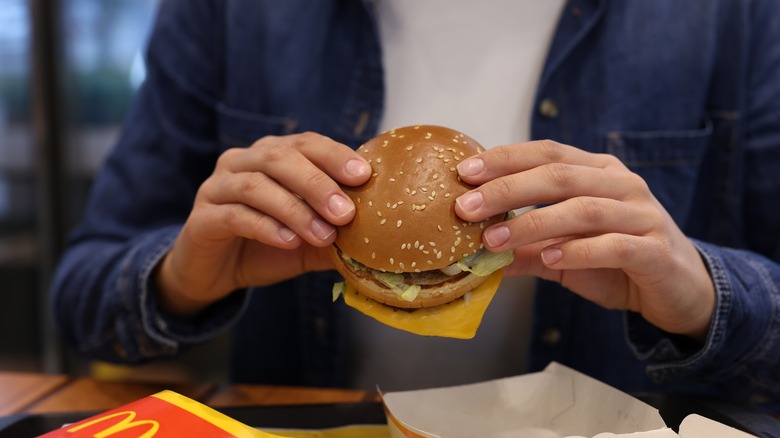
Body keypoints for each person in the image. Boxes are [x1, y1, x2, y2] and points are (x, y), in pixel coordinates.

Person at [52, 0, 780, 403]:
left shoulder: (734, 16)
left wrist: (705, 299)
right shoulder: (230, 12)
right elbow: (79, 301)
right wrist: (182, 282)